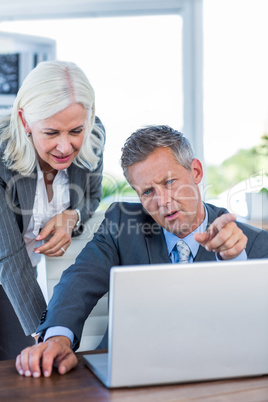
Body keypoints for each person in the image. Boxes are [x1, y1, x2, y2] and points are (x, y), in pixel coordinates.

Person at [16, 125, 268, 377]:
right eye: (148, 192)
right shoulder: (122, 224)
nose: (163, 201)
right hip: (127, 374)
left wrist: (236, 261)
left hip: (219, 375)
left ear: (196, 172)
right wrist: (57, 339)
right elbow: (78, 281)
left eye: (169, 182)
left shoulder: (254, 244)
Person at [0, 60, 105, 360]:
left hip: (32, 268)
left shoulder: (94, 136)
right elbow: (8, 255)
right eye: (51, 133)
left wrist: (72, 217)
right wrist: (47, 335)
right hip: (9, 264)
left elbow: (92, 196)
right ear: (24, 121)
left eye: (75, 130)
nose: (64, 146)